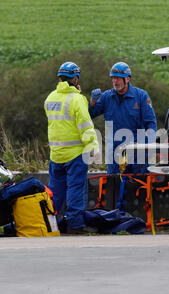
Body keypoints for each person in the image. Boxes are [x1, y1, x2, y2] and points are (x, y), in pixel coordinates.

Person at [44, 61, 99, 233]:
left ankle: (52, 224)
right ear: (75, 79)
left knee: (55, 192)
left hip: (56, 155)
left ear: (60, 78)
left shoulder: (50, 98)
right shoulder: (77, 99)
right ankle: (75, 225)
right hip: (75, 154)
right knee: (76, 188)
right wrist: (93, 148)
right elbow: (85, 126)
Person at [89, 62, 157, 174]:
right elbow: (90, 115)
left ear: (127, 79)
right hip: (114, 155)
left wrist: (148, 148)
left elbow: (151, 124)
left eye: (118, 78)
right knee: (114, 187)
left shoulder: (141, 96)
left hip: (137, 154)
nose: (115, 82)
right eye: (113, 78)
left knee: (139, 187)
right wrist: (92, 102)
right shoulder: (107, 97)